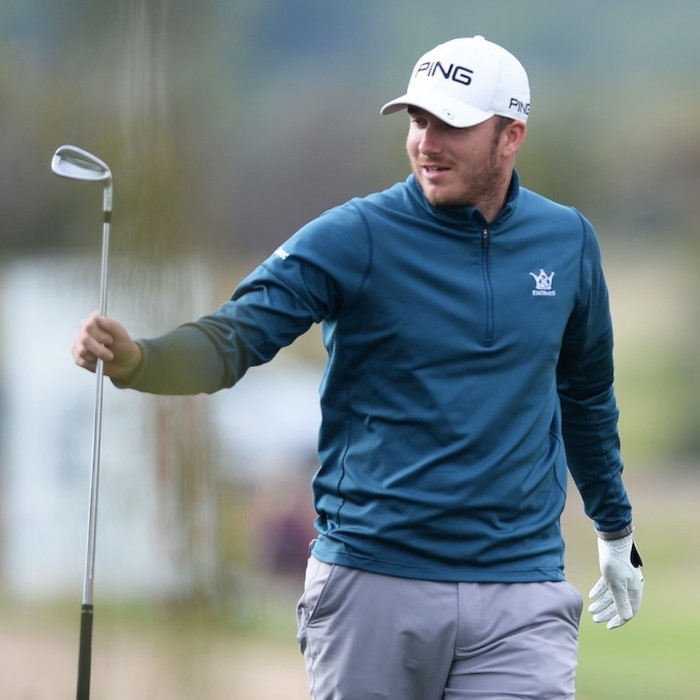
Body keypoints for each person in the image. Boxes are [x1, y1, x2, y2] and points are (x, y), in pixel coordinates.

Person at [72, 35, 644, 700]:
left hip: (520, 589)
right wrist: (142, 360)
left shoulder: (566, 240)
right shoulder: (357, 235)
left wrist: (615, 531)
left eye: (451, 125)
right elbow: (238, 334)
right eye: (418, 121)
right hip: (375, 581)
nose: (427, 143)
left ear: (510, 135)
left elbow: (585, 395)